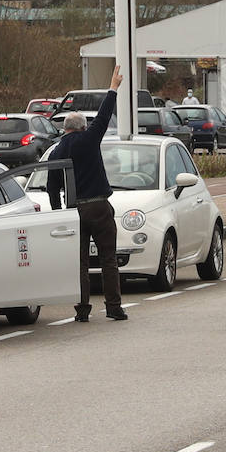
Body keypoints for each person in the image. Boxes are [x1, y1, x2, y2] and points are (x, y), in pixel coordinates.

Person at [46, 65, 127, 322]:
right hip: (99, 207)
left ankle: (82, 310)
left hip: (75, 211)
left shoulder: (57, 151)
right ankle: (113, 307)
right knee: (108, 259)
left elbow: (51, 186)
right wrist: (113, 88)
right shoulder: (89, 139)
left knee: (80, 262)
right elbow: (103, 117)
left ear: (65, 129)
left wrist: (60, 212)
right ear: (82, 128)